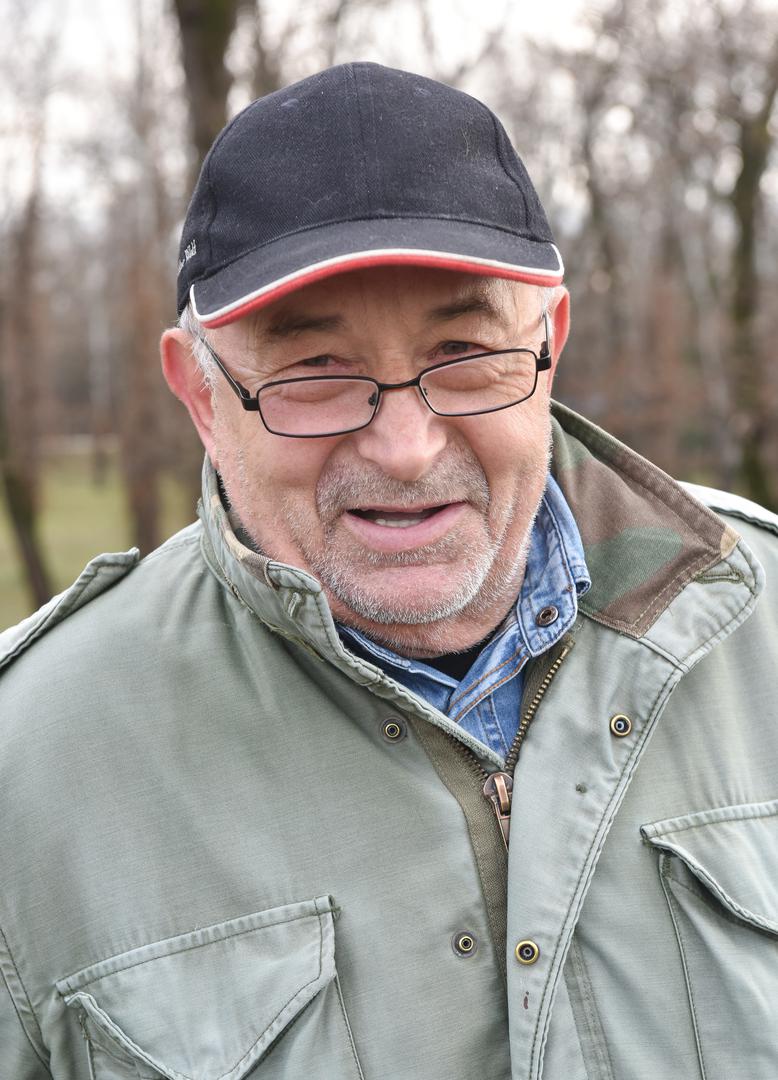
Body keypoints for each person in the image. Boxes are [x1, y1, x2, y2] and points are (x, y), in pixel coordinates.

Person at [1, 62, 776, 1080]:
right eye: (314, 372)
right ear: (200, 396)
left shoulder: (762, 626)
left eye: (464, 350)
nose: (406, 449)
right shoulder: (29, 770)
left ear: (548, 344)